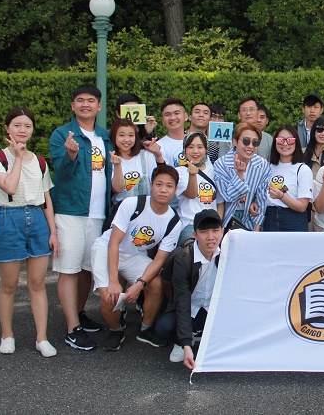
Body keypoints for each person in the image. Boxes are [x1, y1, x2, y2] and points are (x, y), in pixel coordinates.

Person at [0, 107, 59, 357]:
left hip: (36, 219)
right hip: (9, 218)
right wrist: (17, 157)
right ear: (7, 129)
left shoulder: (39, 161)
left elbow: (47, 199)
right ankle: (7, 334)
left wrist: (53, 232)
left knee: (38, 283)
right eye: (17, 125)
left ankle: (42, 338)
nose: (22, 130)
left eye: (27, 126)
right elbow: (9, 185)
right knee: (9, 284)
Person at [90, 166, 182, 351]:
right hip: (106, 249)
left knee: (155, 284)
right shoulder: (132, 204)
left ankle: (146, 328)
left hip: (135, 255)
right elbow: (114, 243)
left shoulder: (173, 221)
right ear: (151, 185)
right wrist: (115, 281)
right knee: (109, 296)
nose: (163, 189)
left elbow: (159, 260)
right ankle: (116, 329)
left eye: (169, 186)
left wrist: (139, 285)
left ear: (175, 190)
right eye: (159, 184)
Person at [49, 84, 112, 350]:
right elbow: (59, 175)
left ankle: (79, 312)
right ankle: (72, 328)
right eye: (79, 100)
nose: (85, 104)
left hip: (98, 214)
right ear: (73, 105)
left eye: (91, 101)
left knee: (87, 268)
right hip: (70, 212)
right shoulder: (62, 134)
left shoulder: (105, 137)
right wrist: (71, 154)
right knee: (69, 269)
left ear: (99, 106)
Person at [155, 209, 223, 368]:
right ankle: (184, 339)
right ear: (195, 235)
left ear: (223, 231)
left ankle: (203, 334)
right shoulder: (183, 259)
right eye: (204, 232)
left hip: (213, 308)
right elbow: (182, 300)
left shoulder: (227, 253)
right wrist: (186, 344)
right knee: (163, 327)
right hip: (189, 307)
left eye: (215, 230)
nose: (211, 237)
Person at [214, 122, 271, 231]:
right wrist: (240, 175)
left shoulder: (262, 164)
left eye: (255, 142)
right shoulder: (221, 164)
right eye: (246, 141)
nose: (250, 146)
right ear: (235, 141)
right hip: (227, 218)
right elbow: (230, 197)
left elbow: (262, 197)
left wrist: (257, 227)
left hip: (251, 219)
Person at [264, 125, 313, 232]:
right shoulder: (267, 167)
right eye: (281, 140)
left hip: (293, 221)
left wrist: (281, 196)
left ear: (296, 143)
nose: (285, 144)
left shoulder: (303, 169)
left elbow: (302, 206)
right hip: (269, 218)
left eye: (290, 140)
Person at [176, 132, 223, 243]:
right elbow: (191, 194)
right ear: (184, 150)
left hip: (212, 225)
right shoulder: (179, 172)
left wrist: (218, 223)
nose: (195, 151)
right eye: (190, 147)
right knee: (191, 259)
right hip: (190, 225)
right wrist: (192, 175)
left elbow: (220, 200)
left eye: (200, 147)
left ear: (206, 149)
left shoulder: (214, 169)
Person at [108, 118, 165, 206]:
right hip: (122, 211)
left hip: (146, 208)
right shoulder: (110, 158)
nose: (126, 139)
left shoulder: (145, 156)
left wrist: (158, 155)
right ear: (114, 136)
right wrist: (117, 165)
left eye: (131, 135)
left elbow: (158, 181)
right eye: (121, 135)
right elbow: (118, 189)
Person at [158, 97, 188, 169]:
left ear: (185, 116)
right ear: (162, 120)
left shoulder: (197, 141)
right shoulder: (159, 147)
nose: (172, 118)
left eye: (177, 113)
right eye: (167, 114)